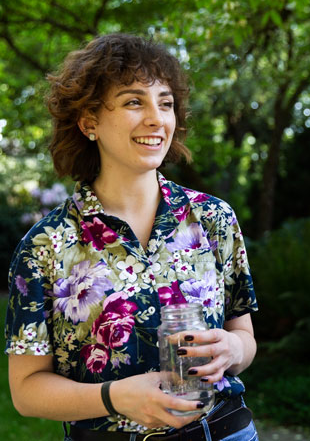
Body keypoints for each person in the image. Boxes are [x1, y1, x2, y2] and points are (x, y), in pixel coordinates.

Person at [4, 33, 259, 441]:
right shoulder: (45, 246)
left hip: (225, 432)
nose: (157, 118)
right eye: (133, 101)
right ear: (89, 122)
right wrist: (115, 397)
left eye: (166, 103)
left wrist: (233, 349)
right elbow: (26, 390)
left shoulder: (213, 218)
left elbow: (244, 336)